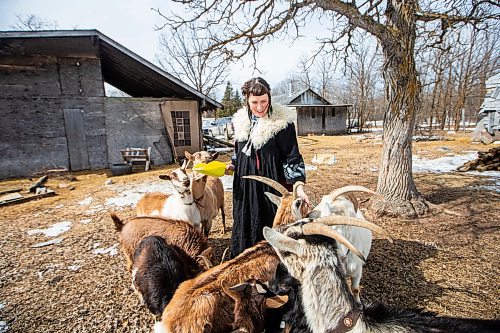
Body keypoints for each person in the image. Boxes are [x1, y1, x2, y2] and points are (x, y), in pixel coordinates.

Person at [226, 77, 309, 258]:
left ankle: (273, 273)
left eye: (264, 101)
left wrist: (299, 186)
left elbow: (292, 156)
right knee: (245, 222)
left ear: (269, 98)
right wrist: (232, 165)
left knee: (270, 225)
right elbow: (238, 151)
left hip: (270, 184)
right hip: (245, 185)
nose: (260, 106)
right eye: (254, 102)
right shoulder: (240, 122)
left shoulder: (282, 123)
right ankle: (247, 266)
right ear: (247, 100)